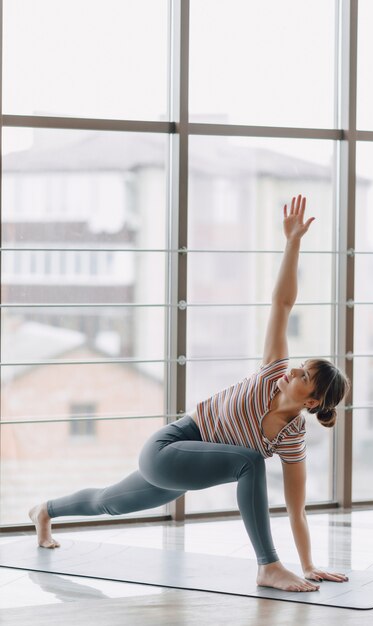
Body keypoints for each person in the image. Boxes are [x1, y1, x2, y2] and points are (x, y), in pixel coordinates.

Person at [29, 194, 350, 593]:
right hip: (170, 447)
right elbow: (282, 303)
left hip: (187, 472)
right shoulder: (272, 373)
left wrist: (310, 565)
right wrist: (293, 242)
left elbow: (297, 509)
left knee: (109, 503)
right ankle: (268, 566)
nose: (294, 370)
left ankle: (45, 510)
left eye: (303, 375)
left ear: (312, 401)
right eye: (299, 366)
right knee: (251, 462)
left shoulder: (291, 438)